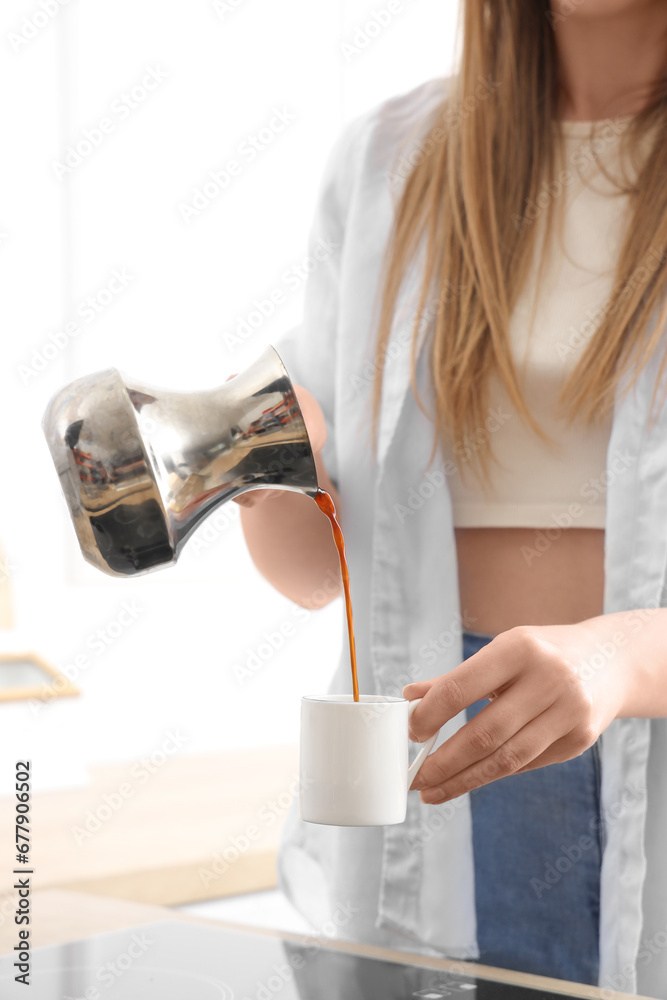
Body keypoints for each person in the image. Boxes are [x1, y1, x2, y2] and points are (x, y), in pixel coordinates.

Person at [237, 1, 667, 995]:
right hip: (446, 743)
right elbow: (316, 571)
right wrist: (261, 462)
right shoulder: (392, 159)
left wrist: (621, 655)